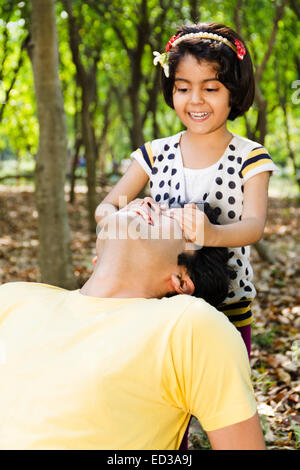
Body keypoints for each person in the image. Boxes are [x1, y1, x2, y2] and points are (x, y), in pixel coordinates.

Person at [0, 201, 266, 450]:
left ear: (182, 280)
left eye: (170, 217)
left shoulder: (187, 325)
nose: (149, 202)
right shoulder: (11, 298)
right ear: (98, 253)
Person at [95, 22, 280, 360]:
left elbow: (254, 226)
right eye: (183, 88)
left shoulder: (250, 156)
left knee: (221, 393)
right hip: (155, 302)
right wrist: (127, 216)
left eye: (210, 89)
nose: (195, 100)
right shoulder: (154, 153)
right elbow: (107, 207)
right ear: (172, 90)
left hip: (227, 304)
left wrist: (210, 234)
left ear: (233, 92)